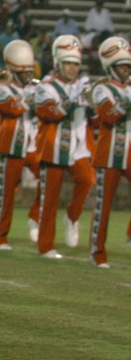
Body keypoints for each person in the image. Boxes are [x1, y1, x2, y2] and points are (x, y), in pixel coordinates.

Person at [33, 35, 94, 259]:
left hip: (78, 148)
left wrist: (94, 104)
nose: (72, 68)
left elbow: (95, 118)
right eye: (68, 63)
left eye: (75, 64)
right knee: (49, 200)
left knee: (87, 180)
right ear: (58, 63)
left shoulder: (83, 86)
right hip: (53, 146)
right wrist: (73, 100)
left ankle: (72, 217)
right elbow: (48, 112)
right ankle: (46, 246)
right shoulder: (46, 86)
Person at [0, 40, 40, 250]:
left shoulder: (36, 87)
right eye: (23, 72)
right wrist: (33, 98)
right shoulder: (2, 88)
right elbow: (12, 108)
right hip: (11, 146)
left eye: (29, 71)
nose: (28, 76)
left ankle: (35, 217)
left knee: (49, 182)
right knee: (6, 193)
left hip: (34, 146)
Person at [89, 37, 131, 268]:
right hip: (108, 154)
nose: (126, 70)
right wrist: (127, 102)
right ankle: (97, 253)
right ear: (111, 67)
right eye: (121, 66)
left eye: (127, 66)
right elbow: (109, 116)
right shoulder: (101, 89)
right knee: (103, 207)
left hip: (129, 151)